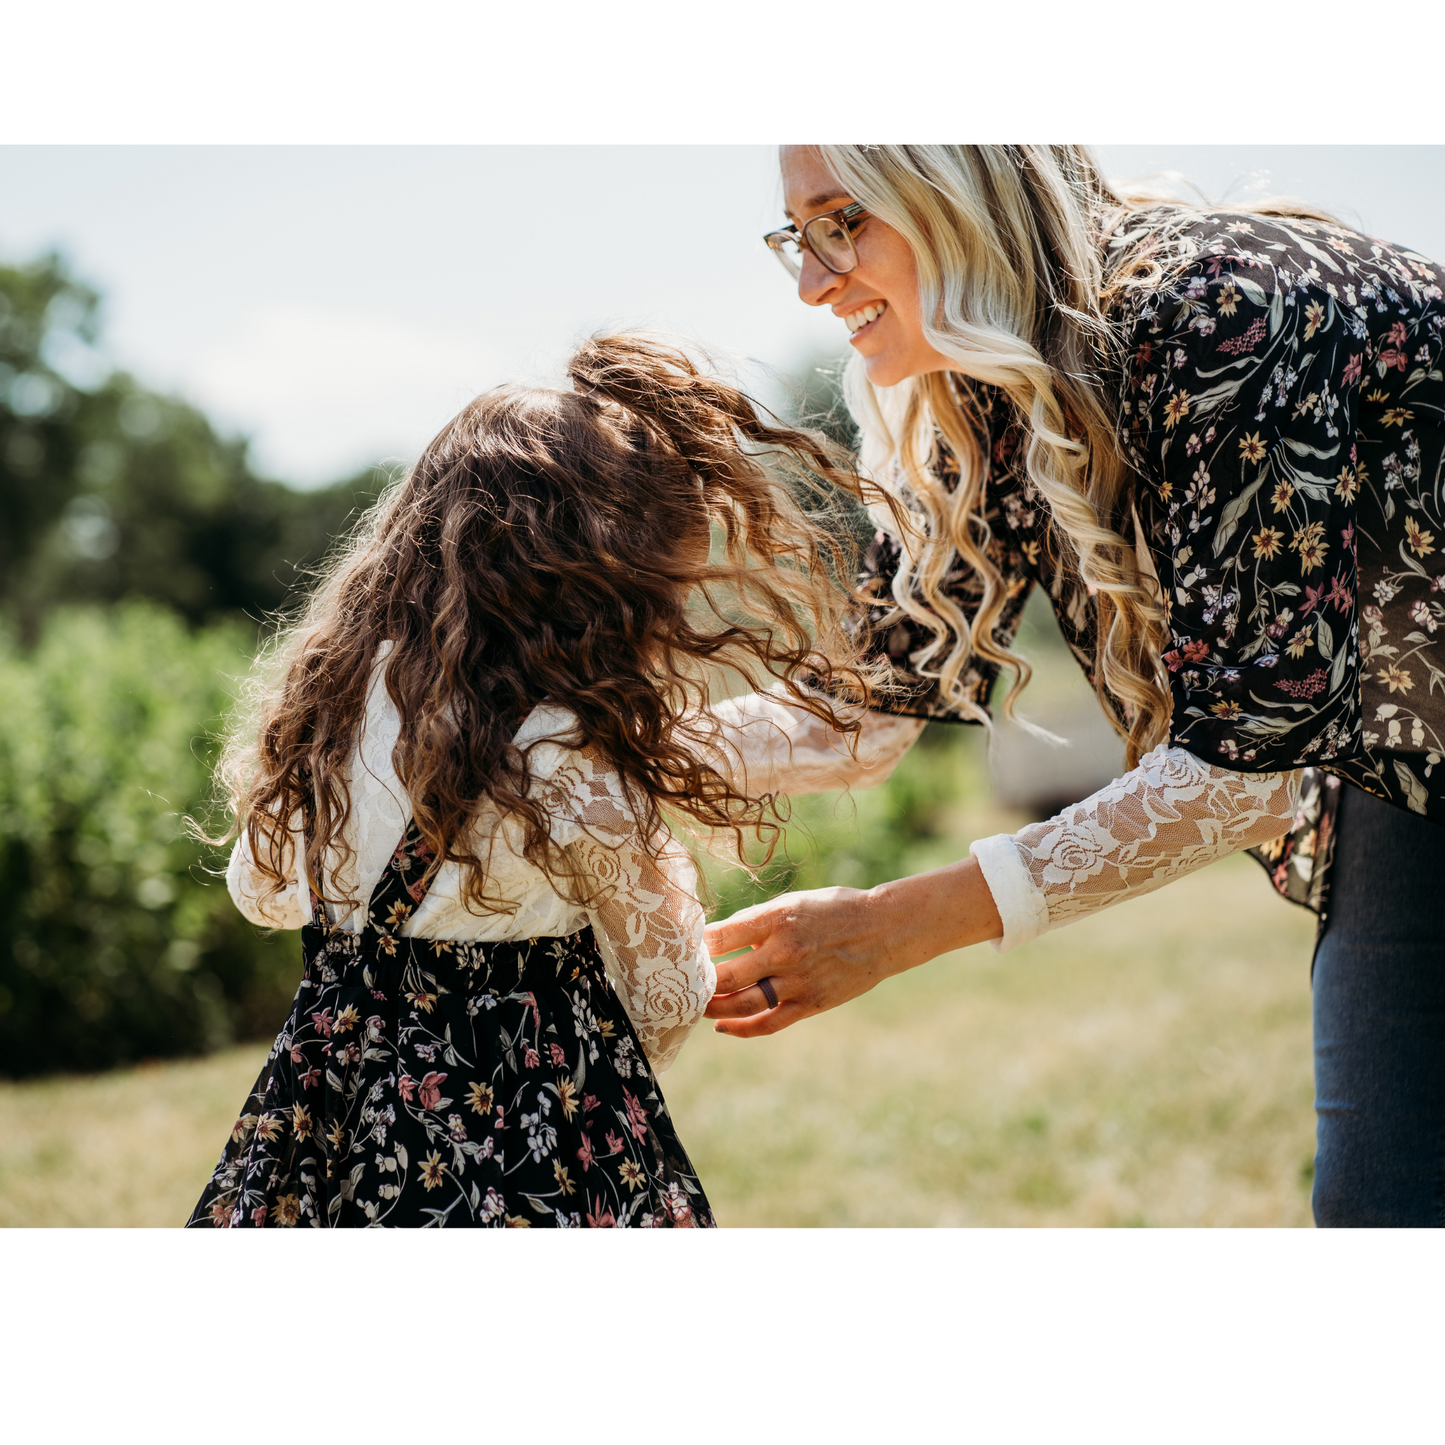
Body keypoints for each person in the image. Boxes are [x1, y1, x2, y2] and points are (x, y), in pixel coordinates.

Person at [702, 145, 1445, 1227]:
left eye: (842, 222)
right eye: (794, 236)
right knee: (1385, 1201)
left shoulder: (1211, 309)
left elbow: (1244, 767)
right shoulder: (973, 386)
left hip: (1395, 744)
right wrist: (568, 751)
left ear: (956, 195)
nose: (812, 283)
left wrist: (891, 925)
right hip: (1411, 755)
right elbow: (857, 710)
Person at [187, 334, 877, 1228]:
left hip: (332, 1148)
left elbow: (263, 893)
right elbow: (664, 992)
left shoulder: (333, 699)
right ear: (595, 579)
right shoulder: (562, 751)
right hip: (534, 1150)